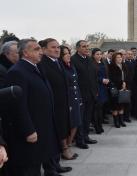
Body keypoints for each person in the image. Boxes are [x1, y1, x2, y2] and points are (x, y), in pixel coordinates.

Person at [3, 39, 59, 176]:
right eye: (36, 49)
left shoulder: (35, 67)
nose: (40, 52)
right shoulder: (17, 72)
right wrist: (28, 130)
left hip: (41, 128)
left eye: (40, 49)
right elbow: (17, 106)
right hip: (29, 133)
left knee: (36, 166)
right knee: (29, 169)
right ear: (25, 52)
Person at [38, 38, 73, 175]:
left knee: (60, 134)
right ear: (44, 49)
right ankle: (50, 168)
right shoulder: (42, 64)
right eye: (53, 47)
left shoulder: (58, 62)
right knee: (51, 139)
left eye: (58, 47)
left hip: (61, 105)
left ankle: (56, 164)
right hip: (51, 107)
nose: (57, 49)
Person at [71, 40, 98, 149]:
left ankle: (86, 136)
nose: (86, 48)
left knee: (87, 117)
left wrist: (95, 91)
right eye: (84, 46)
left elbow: (93, 77)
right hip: (80, 94)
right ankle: (79, 140)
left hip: (91, 94)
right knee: (80, 118)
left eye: (87, 46)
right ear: (77, 48)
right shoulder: (73, 60)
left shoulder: (90, 59)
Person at [59, 45, 81, 158]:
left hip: (75, 97)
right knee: (68, 123)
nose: (68, 55)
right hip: (67, 99)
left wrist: (79, 98)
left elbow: (76, 83)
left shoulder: (71, 66)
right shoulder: (60, 67)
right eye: (65, 53)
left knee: (76, 122)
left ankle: (69, 144)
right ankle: (65, 148)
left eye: (68, 52)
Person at [92, 48, 109, 134]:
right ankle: (97, 126)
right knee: (97, 108)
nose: (99, 56)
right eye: (97, 54)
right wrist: (101, 80)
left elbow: (106, 73)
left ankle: (100, 124)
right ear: (93, 55)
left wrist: (107, 79)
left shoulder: (103, 63)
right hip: (97, 87)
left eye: (100, 54)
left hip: (104, 87)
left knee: (101, 108)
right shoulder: (92, 64)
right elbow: (93, 77)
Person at [109, 52, 128, 127]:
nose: (120, 58)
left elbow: (126, 76)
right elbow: (112, 78)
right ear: (114, 59)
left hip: (123, 87)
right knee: (115, 106)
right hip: (115, 88)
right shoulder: (111, 66)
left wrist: (125, 83)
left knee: (121, 104)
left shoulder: (123, 65)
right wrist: (121, 83)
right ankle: (116, 122)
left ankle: (121, 120)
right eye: (118, 57)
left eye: (120, 57)